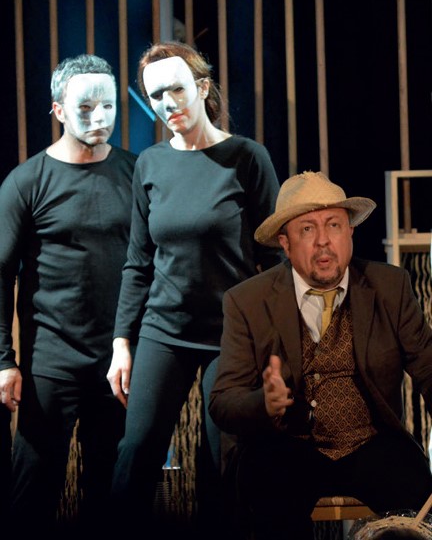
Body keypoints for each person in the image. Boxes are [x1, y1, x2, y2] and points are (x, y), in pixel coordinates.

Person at [106, 40, 281, 536]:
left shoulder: (246, 157)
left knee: (222, 457)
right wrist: (122, 342)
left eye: (177, 89)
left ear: (202, 88)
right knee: (136, 448)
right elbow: (138, 262)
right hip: (165, 328)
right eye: (156, 96)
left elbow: (273, 258)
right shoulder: (150, 164)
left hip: (233, 333)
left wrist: (272, 340)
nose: (168, 104)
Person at [209, 170, 432, 540]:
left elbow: (428, 366)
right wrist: (264, 402)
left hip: (372, 443)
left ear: (350, 232)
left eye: (334, 225)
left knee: (414, 494)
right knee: (264, 487)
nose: (324, 241)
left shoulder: (390, 287)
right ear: (285, 243)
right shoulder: (247, 301)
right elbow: (222, 401)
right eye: (307, 229)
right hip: (287, 446)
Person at [0, 54, 137, 538]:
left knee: (110, 497)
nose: (99, 117)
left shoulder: (135, 173)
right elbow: (1, 273)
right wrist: (3, 359)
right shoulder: (27, 181)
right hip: (51, 359)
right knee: (32, 491)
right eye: (85, 108)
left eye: (108, 106)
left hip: (119, 360)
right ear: (59, 110)